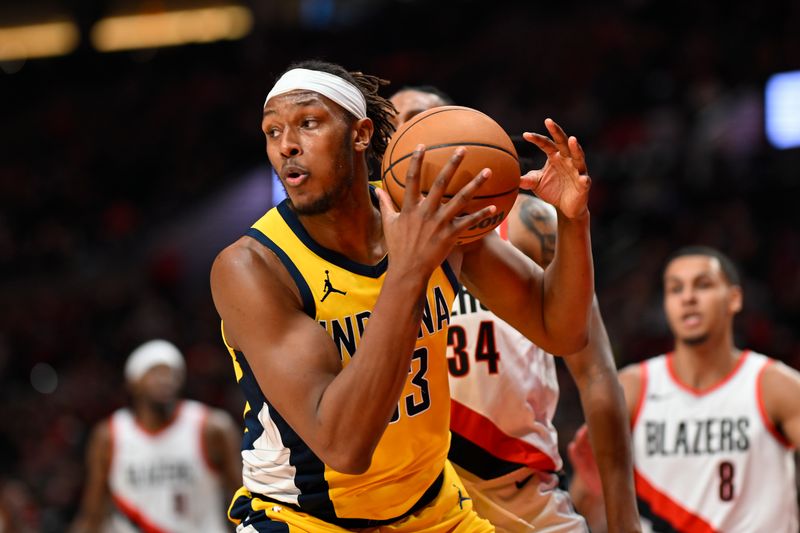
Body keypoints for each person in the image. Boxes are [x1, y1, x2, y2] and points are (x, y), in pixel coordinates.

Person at [209, 59, 596, 531]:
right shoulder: (252, 267)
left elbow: (561, 329)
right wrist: (408, 271)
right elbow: (344, 446)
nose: (287, 145)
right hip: (309, 519)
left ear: (360, 134)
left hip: (434, 509)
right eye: (272, 132)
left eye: (308, 123)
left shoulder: (431, 217)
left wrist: (574, 222)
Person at [390, 86, 640, 533]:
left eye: (431, 120)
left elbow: (597, 373)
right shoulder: (371, 248)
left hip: (522, 492)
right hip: (415, 501)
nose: (419, 134)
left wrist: (624, 523)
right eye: (404, 122)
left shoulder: (526, 221)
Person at [569, 246, 800, 532]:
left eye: (703, 285)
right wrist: (596, 490)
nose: (688, 298)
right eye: (675, 289)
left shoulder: (773, 385)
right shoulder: (632, 388)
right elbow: (581, 509)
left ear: (734, 299)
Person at [69, 339, 242, 533]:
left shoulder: (211, 427)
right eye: (155, 372)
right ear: (133, 382)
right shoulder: (109, 435)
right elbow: (93, 513)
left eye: (171, 373)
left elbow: (243, 495)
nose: (164, 379)